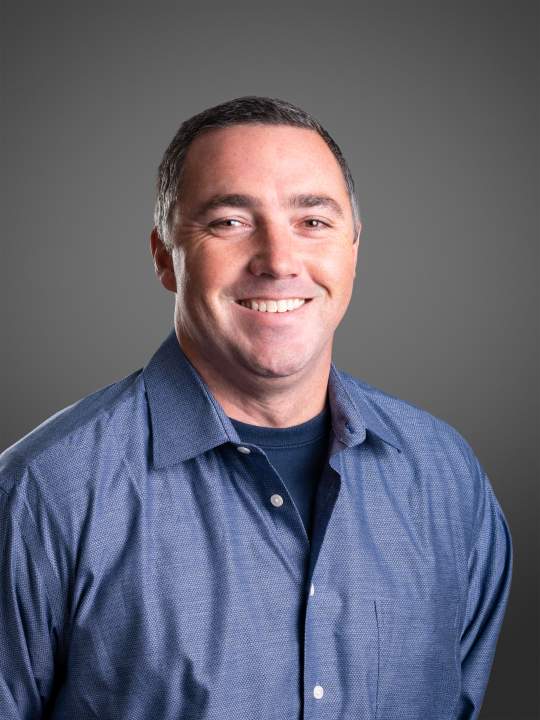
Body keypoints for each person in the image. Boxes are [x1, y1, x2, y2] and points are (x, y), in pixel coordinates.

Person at [0, 96, 512, 720]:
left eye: (312, 222)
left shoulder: (445, 477)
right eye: (230, 222)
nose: (278, 261)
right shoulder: (44, 492)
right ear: (164, 256)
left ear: (353, 249)